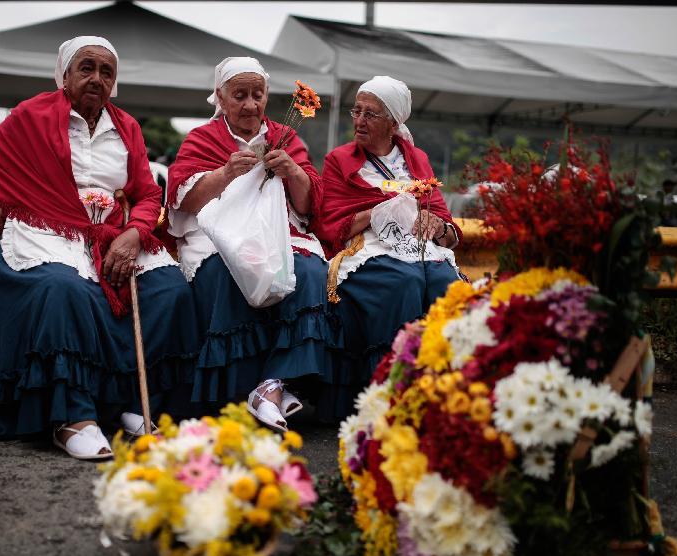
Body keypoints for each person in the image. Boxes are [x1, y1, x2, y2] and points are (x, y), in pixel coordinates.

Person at [0, 36, 198, 460]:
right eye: (86, 68)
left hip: (113, 234)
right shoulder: (29, 116)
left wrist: (134, 234)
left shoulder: (127, 127)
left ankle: (129, 402)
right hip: (45, 230)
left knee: (168, 291)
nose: (97, 78)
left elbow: (147, 194)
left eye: (107, 72)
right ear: (64, 75)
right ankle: (72, 415)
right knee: (62, 288)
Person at [167, 57, 340, 432]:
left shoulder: (285, 136)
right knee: (231, 268)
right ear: (220, 98)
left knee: (308, 270)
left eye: (257, 95)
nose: (249, 104)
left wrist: (292, 171)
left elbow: (309, 204)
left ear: (266, 97)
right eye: (239, 95)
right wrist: (225, 173)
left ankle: (271, 384)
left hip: (279, 230)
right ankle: (242, 392)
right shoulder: (201, 138)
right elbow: (184, 200)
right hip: (219, 233)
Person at [316, 76, 462, 409]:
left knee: (446, 283)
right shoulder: (339, 160)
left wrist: (438, 225)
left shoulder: (417, 159)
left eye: (370, 114)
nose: (359, 121)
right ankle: (390, 390)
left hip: (417, 246)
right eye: (357, 111)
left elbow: (442, 216)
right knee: (404, 281)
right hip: (369, 246)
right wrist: (378, 212)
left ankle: (444, 387)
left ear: (393, 123)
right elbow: (330, 222)